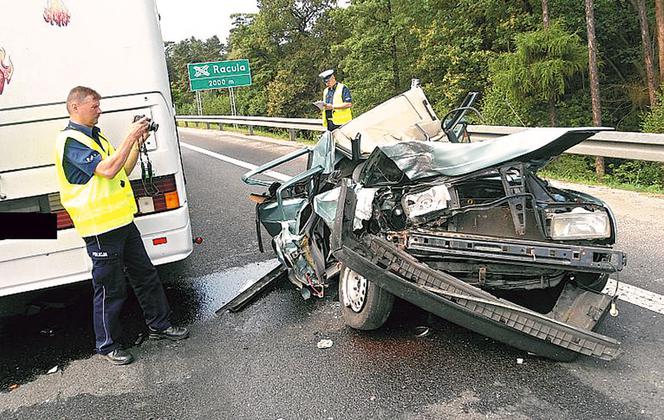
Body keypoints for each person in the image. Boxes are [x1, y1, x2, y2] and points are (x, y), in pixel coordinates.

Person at [54, 86, 188, 366]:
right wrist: (128, 136)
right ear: (75, 107)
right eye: (94, 105)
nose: (99, 110)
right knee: (110, 288)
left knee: (146, 276)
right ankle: (107, 345)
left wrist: (137, 142)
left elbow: (123, 169)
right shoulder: (70, 141)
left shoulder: (97, 137)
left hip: (123, 222)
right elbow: (106, 170)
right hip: (100, 229)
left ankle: (159, 326)